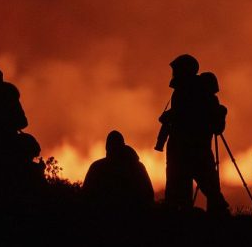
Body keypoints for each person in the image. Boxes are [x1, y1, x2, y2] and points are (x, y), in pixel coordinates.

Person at [157, 54, 229, 213]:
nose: (173, 73)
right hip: (197, 148)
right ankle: (219, 217)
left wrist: (169, 116)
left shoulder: (186, 91)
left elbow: (187, 115)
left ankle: (190, 221)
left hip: (185, 148)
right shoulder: (197, 90)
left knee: (181, 190)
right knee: (209, 187)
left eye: (176, 69)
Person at [83, 131, 154, 213]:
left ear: (106, 147)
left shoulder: (97, 167)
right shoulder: (138, 167)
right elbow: (149, 195)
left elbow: (85, 196)